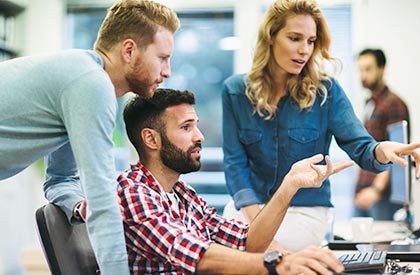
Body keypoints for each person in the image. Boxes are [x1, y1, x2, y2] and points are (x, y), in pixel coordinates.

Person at [221, 0, 420, 251]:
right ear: (271, 37)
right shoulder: (235, 91)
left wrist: (381, 150)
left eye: (311, 41)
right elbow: (234, 164)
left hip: (305, 211)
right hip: (250, 208)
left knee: (253, 252)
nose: (304, 49)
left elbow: (361, 146)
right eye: (295, 38)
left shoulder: (326, 91)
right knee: (231, 248)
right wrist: (261, 233)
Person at [0, 0, 179, 274]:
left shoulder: (81, 80)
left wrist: (77, 205)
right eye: (162, 58)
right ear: (129, 50)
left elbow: (60, 181)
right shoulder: (90, 83)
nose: (167, 71)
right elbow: (103, 200)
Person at [118, 88, 353, 275]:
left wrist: (289, 185)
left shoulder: (182, 193)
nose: (199, 136)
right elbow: (198, 256)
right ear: (151, 138)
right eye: (186, 127)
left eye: (196, 125)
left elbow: (248, 242)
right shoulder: (133, 193)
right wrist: (279, 264)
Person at [353, 48, 410, 220]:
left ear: (382, 68)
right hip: (364, 190)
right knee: (361, 246)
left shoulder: (393, 104)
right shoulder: (371, 103)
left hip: (381, 197)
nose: (363, 75)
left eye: (368, 69)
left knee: (381, 247)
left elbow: (396, 152)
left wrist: (376, 190)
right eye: (360, 70)